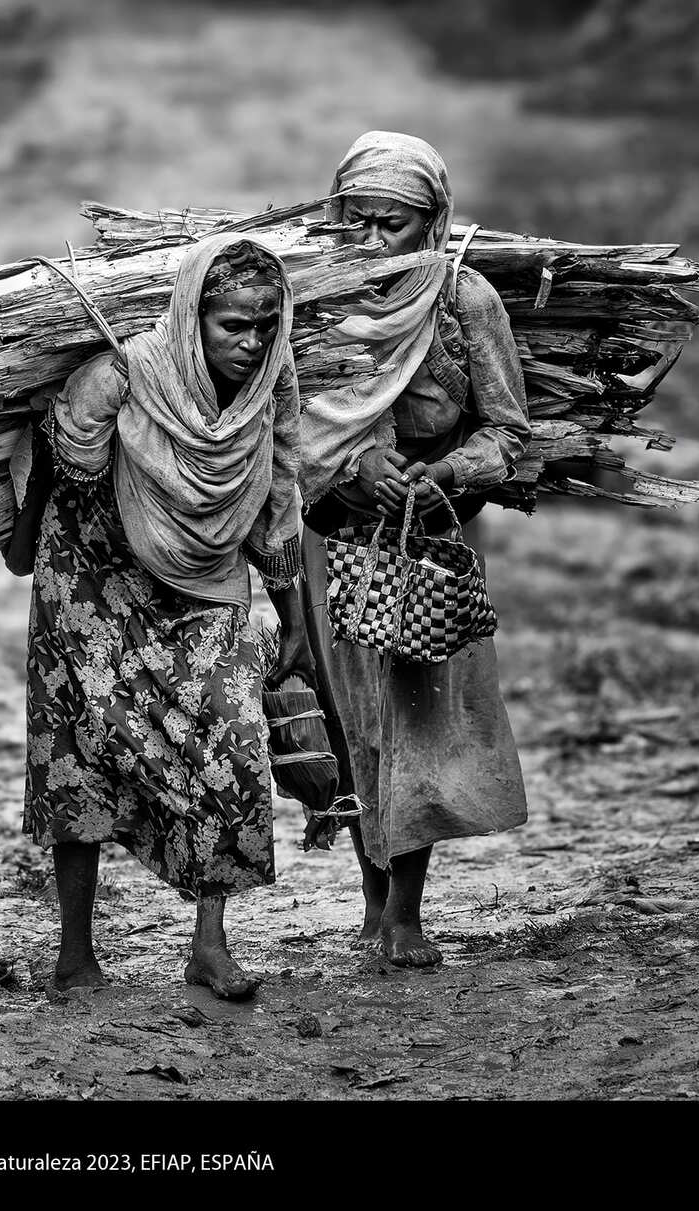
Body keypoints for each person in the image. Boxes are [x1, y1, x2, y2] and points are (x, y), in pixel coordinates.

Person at [23, 233, 313, 1000]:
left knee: (232, 740)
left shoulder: (273, 378)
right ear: (193, 318)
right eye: (233, 326)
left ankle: (209, 945)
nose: (252, 343)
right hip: (95, 576)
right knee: (81, 755)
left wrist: (293, 616)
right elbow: (69, 464)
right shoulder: (120, 375)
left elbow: (282, 484)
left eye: (266, 324)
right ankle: (75, 954)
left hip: (208, 574)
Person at [296, 131, 532, 968]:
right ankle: (370, 901)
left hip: (427, 548)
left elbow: (508, 433)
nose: (370, 239)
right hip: (333, 537)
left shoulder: (465, 304)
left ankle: (405, 911)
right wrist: (351, 463)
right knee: (351, 720)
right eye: (355, 219)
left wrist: (448, 470)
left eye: (390, 223)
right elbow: (281, 423)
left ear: (432, 222)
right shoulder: (312, 300)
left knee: (418, 722)